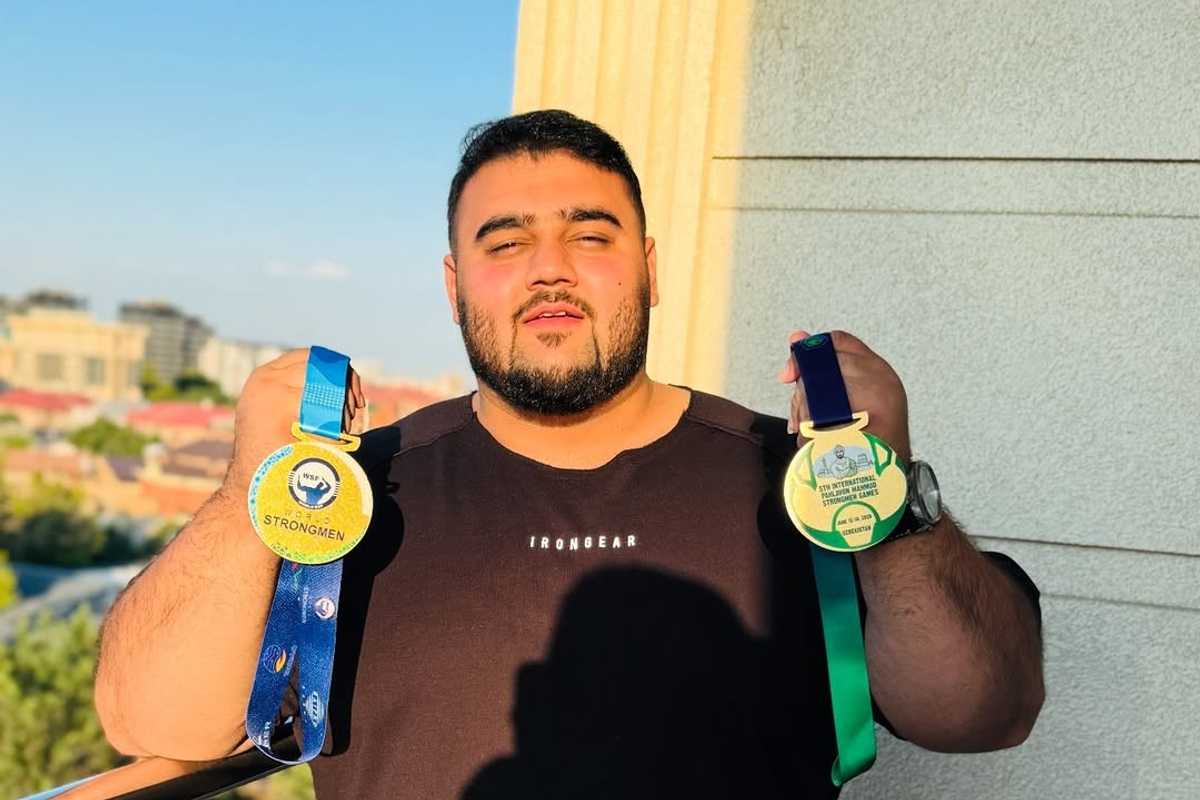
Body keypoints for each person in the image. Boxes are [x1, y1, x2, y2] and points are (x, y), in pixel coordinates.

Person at [94, 110, 1044, 799]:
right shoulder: (345, 499)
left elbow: (983, 716)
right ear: (454, 284)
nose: (551, 268)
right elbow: (154, 726)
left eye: (591, 235)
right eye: (506, 244)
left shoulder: (795, 482)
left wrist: (885, 496)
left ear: (651, 268)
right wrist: (249, 488)